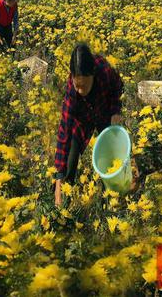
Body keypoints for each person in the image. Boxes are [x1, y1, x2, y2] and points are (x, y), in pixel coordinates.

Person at [54, 44, 124, 207]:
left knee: (110, 157)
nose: (79, 90)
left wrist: (115, 111)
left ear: (93, 75)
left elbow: (117, 87)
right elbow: (63, 133)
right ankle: (63, 206)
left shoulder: (105, 72)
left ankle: (108, 200)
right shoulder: (72, 92)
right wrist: (58, 177)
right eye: (76, 85)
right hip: (82, 120)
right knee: (69, 160)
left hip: (103, 113)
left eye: (83, 86)